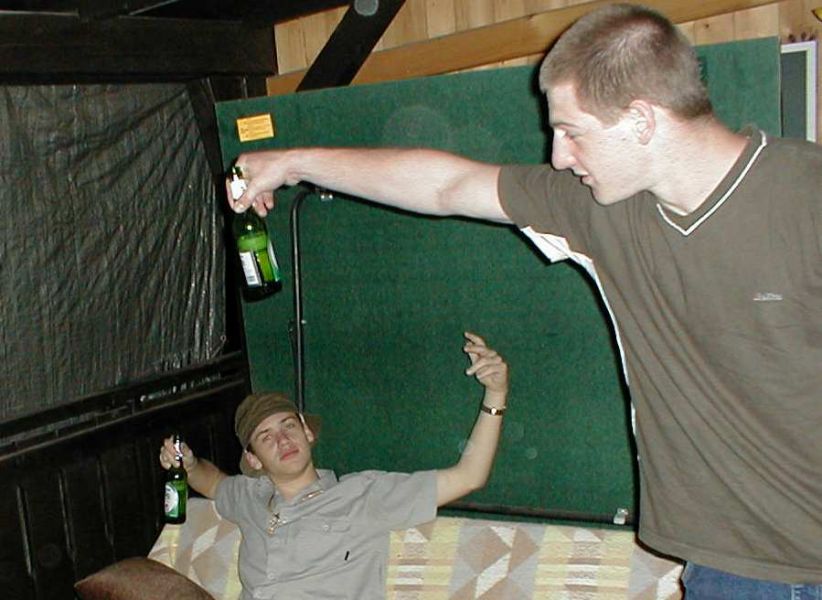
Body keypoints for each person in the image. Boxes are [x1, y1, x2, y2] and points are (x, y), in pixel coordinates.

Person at [224, 3, 822, 597]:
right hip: (722, 564)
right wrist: (293, 162)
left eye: (572, 132)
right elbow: (447, 185)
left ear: (641, 119)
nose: (558, 155)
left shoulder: (805, 199)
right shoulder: (601, 209)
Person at [160, 331, 508, 600]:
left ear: (308, 433)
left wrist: (495, 394)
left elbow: (469, 476)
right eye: (266, 437)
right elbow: (213, 483)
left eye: (289, 426)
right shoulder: (249, 495)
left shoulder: (363, 495)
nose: (283, 439)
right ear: (253, 459)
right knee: (141, 575)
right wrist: (188, 464)